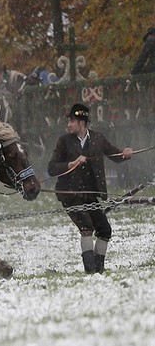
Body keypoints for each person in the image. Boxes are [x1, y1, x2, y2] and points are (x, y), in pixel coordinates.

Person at [47, 103, 133, 274]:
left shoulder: (98, 138)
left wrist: (125, 153)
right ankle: (90, 271)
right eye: (69, 121)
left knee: (104, 230)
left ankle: (99, 270)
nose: (68, 124)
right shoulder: (64, 141)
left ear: (82, 122)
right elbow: (52, 168)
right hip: (70, 195)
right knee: (86, 227)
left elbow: (115, 155)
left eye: (72, 121)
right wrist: (71, 163)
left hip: (91, 196)